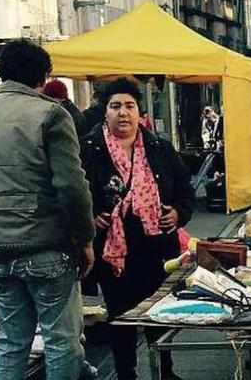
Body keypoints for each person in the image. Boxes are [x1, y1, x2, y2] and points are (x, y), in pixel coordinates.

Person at [0, 39, 95, 380]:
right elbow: (71, 186)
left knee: (10, 340)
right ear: (43, 76)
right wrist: (85, 238)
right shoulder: (50, 114)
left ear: (1, 73)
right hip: (44, 244)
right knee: (62, 341)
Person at [80, 78, 193, 380]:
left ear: (139, 111)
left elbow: (185, 187)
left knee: (160, 311)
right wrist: (88, 217)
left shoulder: (160, 147)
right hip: (112, 248)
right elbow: (71, 192)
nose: (123, 112)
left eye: (129, 105)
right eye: (115, 106)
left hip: (157, 245)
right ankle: (125, 373)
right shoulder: (88, 148)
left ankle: (164, 372)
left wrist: (179, 213)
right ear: (104, 112)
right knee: (120, 314)